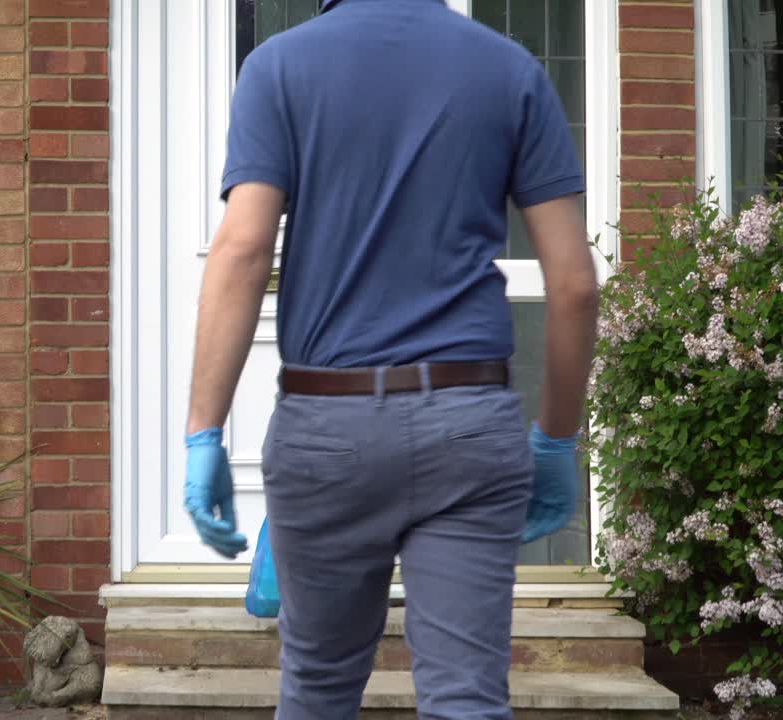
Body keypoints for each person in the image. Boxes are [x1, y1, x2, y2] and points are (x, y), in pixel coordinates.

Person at [182, 0, 600, 717]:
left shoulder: (279, 67)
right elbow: (573, 283)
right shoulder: (509, 70)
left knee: (318, 688)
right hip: (468, 426)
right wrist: (557, 438)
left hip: (328, 427)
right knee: (466, 698)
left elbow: (244, 248)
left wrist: (203, 432)